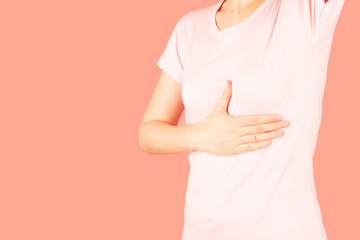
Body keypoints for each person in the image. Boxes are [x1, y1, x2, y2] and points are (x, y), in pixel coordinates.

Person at [138, 0, 346, 239]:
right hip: (203, 232)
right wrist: (200, 136)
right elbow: (148, 133)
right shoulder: (189, 29)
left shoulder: (303, 10)